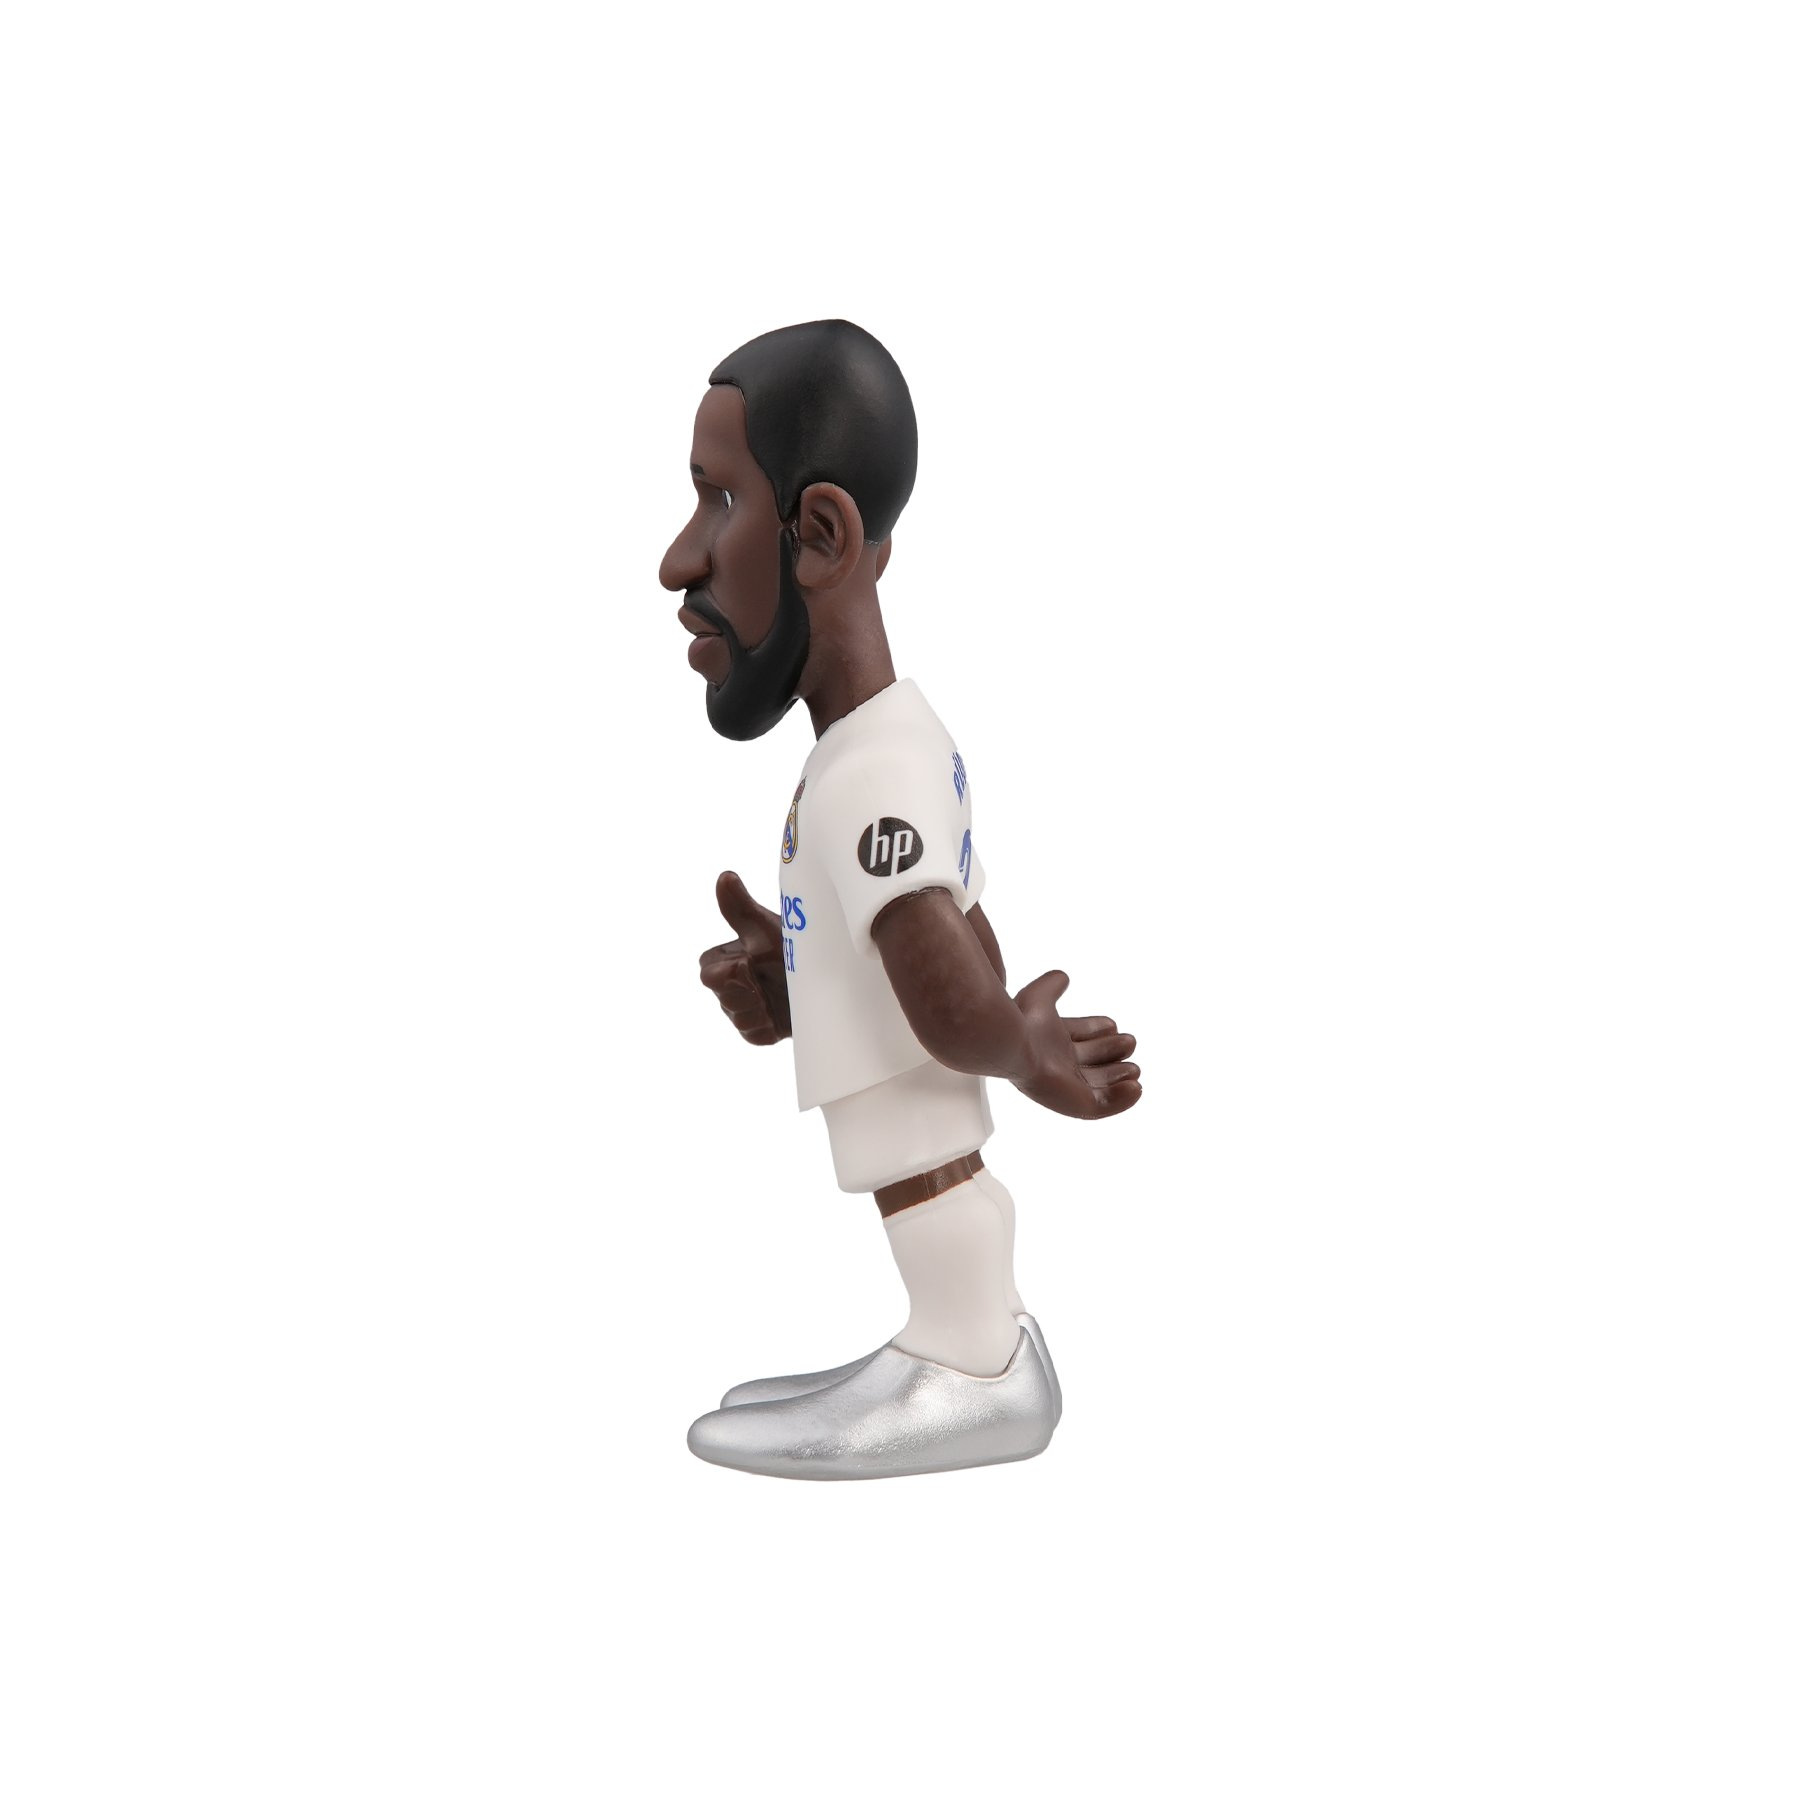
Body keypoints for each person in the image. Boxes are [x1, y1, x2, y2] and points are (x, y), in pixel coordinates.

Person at [659, 320, 1141, 1479]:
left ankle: (975, 1363)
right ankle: (958, 1347)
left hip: (930, 1149)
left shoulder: (872, 774)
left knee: (936, 1196)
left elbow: (943, 964)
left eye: (719, 502)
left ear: (820, 534)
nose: (680, 560)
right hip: (920, 1127)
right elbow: (940, 928)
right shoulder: (876, 751)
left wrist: (1014, 1045)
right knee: (931, 1198)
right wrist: (804, 975)